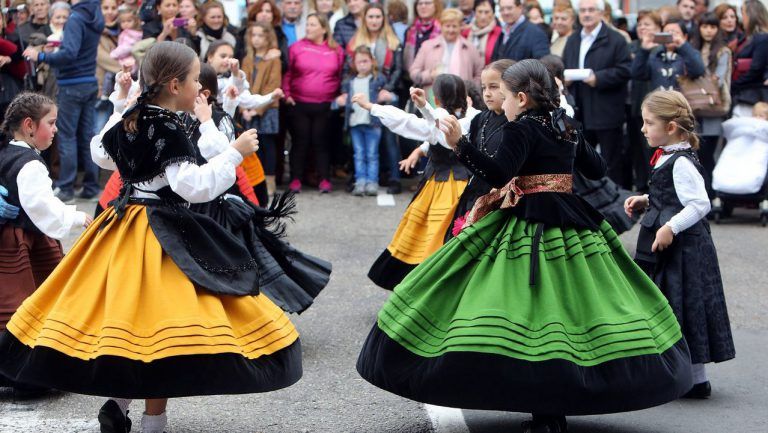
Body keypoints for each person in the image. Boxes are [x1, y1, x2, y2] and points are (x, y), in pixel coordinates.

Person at [357, 60, 692, 433]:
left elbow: (498, 173)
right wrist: (571, 142)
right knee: (569, 310)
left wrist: (459, 145)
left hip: (529, 220)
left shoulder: (522, 128)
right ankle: (554, 409)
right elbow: (597, 169)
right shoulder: (565, 124)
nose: (499, 100)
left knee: (524, 308)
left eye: (503, 92)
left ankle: (537, 405)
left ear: (520, 97)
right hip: (570, 218)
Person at [0, 42, 302, 433]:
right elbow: (192, 185)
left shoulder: (135, 117)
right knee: (162, 331)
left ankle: (120, 403)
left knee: (130, 321)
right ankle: (152, 422)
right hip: (162, 233)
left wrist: (120, 103)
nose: (199, 87)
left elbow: (100, 154)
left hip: (123, 227)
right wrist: (235, 154)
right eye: (195, 79)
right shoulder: (169, 126)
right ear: (175, 85)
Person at [627, 89, 734, 399]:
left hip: (685, 250)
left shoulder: (681, 161)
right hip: (671, 248)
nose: (644, 129)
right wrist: (646, 199)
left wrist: (670, 227)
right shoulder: (669, 156)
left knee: (685, 306)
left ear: (671, 127)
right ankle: (686, 377)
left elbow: (699, 204)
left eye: (649, 123)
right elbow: (672, 196)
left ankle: (696, 380)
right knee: (674, 305)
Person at [0, 92, 92, 396]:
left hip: (23, 237)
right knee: (24, 304)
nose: (55, 129)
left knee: (38, 299)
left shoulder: (9, 153)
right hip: (20, 241)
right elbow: (43, 207)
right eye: (50, 123)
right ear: (29, 125)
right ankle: (23, 373)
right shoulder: (29, 163)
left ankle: (33, 369)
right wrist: (76, 216)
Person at [365, 74, 478, 290]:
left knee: (437, 232)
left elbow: (430, 129)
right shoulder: (466, 117)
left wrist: (371, 106)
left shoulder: (465, 118)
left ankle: (430, 283)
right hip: (444, 181)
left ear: (439, 97)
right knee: (432, 230)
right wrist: (418, 151)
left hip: (451, 184)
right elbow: (433, 133)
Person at [22, 0, 104, 204]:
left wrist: (40, 55)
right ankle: (91, 187)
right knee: (86, 137)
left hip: (71, 85)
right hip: (88, 81)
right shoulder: (95, 14)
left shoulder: (76, 17)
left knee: (67, 137)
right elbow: (79, 49)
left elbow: (70, 53)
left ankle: (66, 188)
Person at [562, 0, 632, 188]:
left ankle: (617, 209)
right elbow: (564, 65)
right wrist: (564, 77)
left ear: (601, 13)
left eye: (591, 10)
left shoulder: (615, 39)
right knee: (581, 162)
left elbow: (625, 70)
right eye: (583, 10)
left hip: (606, 110)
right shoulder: (573, 39)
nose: (586, 14)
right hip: (579, 110)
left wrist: (599, 78)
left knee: (611, 162)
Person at [443, 59, 511, 242]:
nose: (487, 94)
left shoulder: (517, 123)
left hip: (503, 198)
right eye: (484, 88)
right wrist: (457, 145)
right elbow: (471, 159)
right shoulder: (480, 119)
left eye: (494, 87)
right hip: (475, 193)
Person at [282, 13, 344, 194]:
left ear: (324, 29)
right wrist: (287, 94)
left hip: (325, 104)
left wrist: (339, 97)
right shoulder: (296, 48)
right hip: (299, 103)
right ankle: (295, 179)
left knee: (321, 142)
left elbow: (340, 76)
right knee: (300, 142)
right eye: (307, 24)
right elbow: (288, 73)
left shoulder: (336, 50)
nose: (308, 28)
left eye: (313, 25)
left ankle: (324, 179)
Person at [691, 12, 731, 197]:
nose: (708, 31)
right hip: (694, 107)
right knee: (695, 154)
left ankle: (711, 194)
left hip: (713, 107)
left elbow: (719, 80)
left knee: (708, 154)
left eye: (712, 27)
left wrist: (699, 80)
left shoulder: (723, 51)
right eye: (705, 26)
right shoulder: (692, 48)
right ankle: (702, 194)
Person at [240, 22, 283, 198]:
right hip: (248, 107)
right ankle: (253, 180)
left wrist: (256, 110)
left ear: (267, 38)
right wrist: (244, 107)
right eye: (253, 35)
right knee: (252, 146)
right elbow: (241, 84)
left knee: (267, 145)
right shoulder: (247, 59)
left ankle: (269, 180)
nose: (256, 39)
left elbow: (273, 86)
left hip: (266, 108)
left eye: (260, 35)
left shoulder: (273, 59)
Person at [342, 46, 387, 196]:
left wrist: (387, 95)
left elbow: (387, 90)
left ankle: (372, 182)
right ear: (354, 63)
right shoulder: (351, 81)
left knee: (372, 154)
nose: (362, 65)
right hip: (355, 123)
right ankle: (360, 181)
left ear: (372, 62)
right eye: (359, 62)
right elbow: (346, 100)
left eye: (365, 61)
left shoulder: (377, 79)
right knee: (359, 153)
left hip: (372, 123)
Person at [409, 8, 483, 95]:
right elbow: (414, 72)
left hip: (462, 99)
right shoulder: (427, 46)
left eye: (454, 26)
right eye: (447, 26)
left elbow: (479, 74)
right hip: (434, 99)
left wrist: (470, 91)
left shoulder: (470, 48)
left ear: (460, 27)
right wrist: (430, 75)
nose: (451, 30)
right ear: (441, 26)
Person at [631, 18, 706, 91]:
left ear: (685, 36)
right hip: (659, 101)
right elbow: (637, 74)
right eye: (666, 32)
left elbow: (698, 71)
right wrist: (644, 50)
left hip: (682, 101)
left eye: (674, 33)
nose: (670, 36)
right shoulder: (655, 55)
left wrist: (683, 46)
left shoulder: (690, 53)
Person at [712, 102, 768, 196]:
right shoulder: (743, 124)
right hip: (739, 146)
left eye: (761, 116)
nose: (757, 118)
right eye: (755, 115)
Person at [731, 0, 768, 118]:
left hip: (752, 95)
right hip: (743, 91)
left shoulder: (762, 38)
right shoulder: (745, 38)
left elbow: (756, 68)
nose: (742, 18)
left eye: (743, 13)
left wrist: (734, 84)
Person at [403, 0, 443, 73]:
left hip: (434, 77)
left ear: (436, 6)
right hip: (410, 78)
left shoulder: (442, 30)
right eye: (420, 3)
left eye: (427, 3)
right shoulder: (410, 31)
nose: (423, 6)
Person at [461, 0, 501, 65]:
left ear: (493, 13)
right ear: (474, 13)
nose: (483, 16)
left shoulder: (499, 33)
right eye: (480, 12)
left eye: (487, 12)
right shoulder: (465, 33)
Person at [109, 6, 142, 72]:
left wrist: (114, 54)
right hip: (124, 60)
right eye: (123, 21)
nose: (126, 23)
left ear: (135, 21)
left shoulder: (133, 34)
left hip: (129, 62)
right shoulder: (125, 32)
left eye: (129, 21)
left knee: (109, 76)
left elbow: (126, 48)